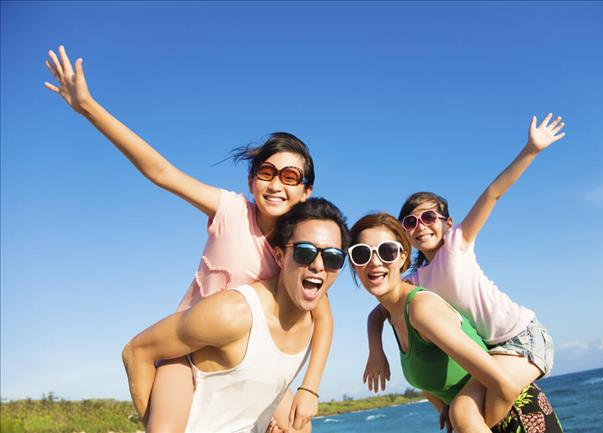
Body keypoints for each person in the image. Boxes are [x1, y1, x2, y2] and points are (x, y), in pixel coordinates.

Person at [44, 45, 333, 432]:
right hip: (188, 352)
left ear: (305, 192)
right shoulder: (231, 210)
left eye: (290, 177)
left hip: (245, 361)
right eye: (267, 172)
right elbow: (161, 171)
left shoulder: (299, 248)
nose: (276, 184)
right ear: (251, 181)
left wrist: (309, 389)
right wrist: (88, 107)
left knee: (298, 428)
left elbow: (323, 318)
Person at [363, 114, 565, 432]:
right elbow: (378, 313)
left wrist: (531, 150)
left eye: (429, 217)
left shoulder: (458, 243)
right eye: (410, 222)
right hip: (492, 351)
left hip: (523, 338)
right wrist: (377, 351)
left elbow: (493, 193)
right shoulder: (414, 281)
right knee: (461, 416)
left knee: (464, 415)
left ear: (448, 222)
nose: (421, 226)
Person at [122, 197, 349, 433]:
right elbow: (136, 351)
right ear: (280, 257)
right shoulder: (232, 314)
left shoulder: (315, 316)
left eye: (333, 257)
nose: (319, 265)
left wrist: (310, 388)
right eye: (305, 252)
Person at [349, 213, 563, 433]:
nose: (374, 262)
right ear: (354, 264)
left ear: (403, 257)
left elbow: (505, 387)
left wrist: (465, 422)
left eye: (386, 251)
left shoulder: (420, 309)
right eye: (361, 253)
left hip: (519, 418)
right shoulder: (393, 314)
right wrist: (375, 349)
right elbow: (374, 316)